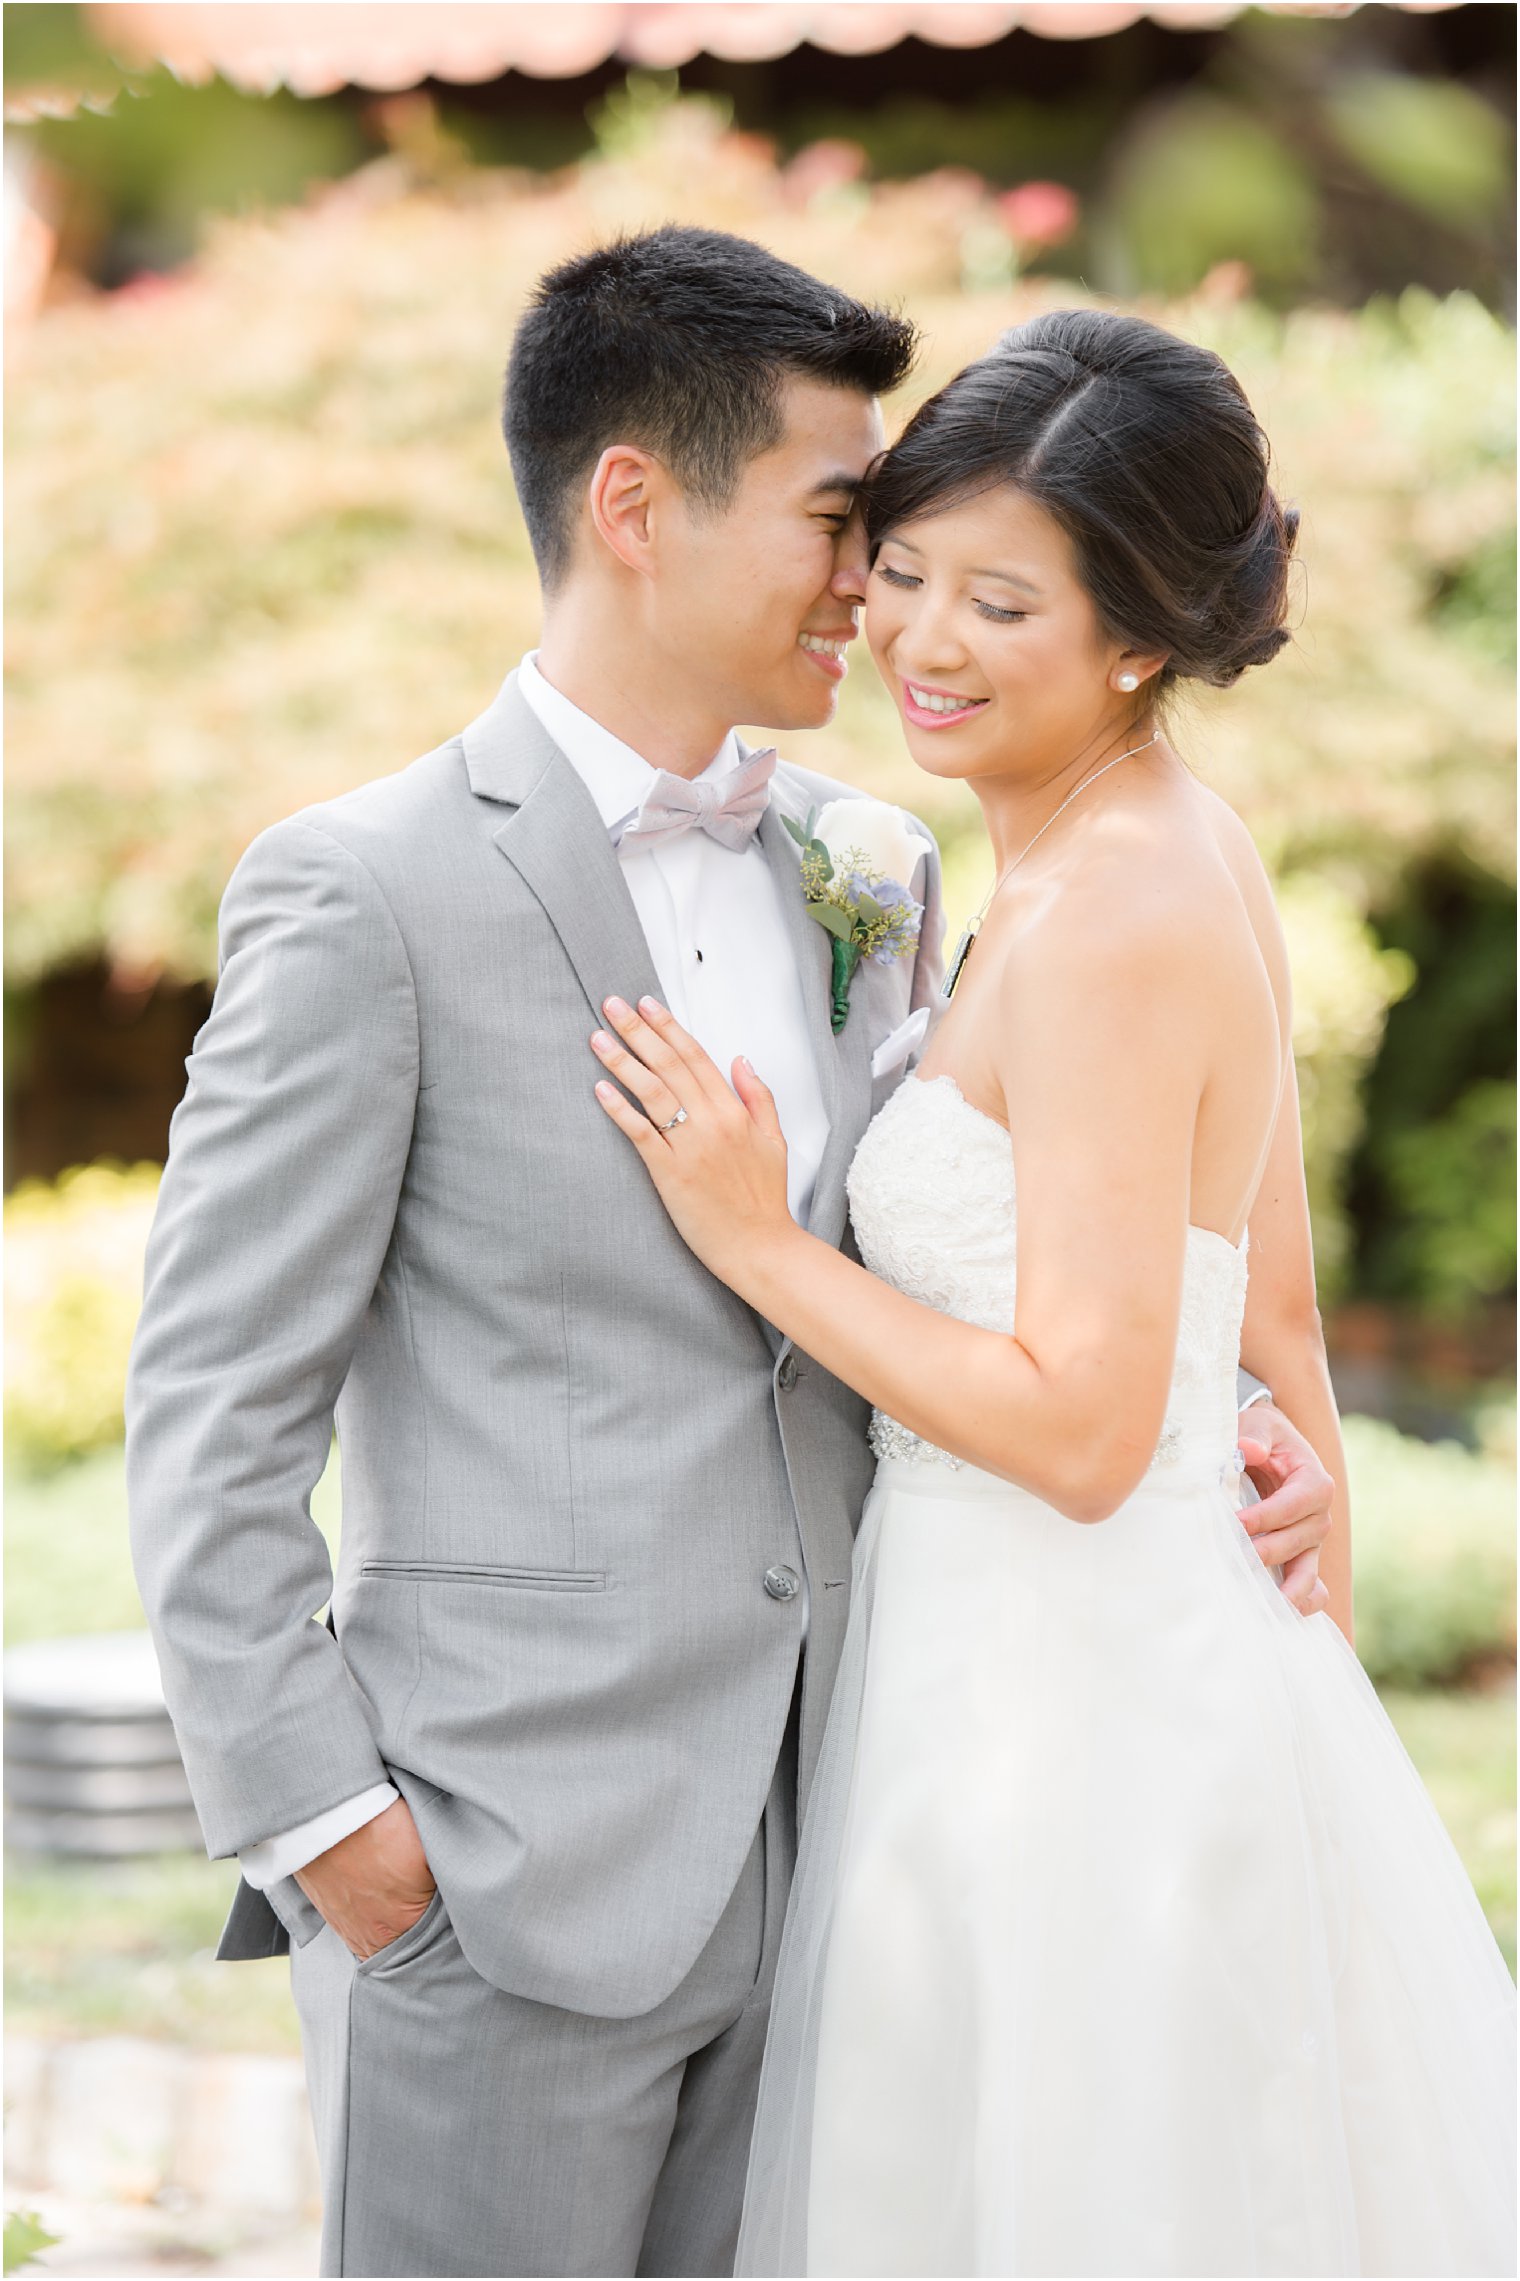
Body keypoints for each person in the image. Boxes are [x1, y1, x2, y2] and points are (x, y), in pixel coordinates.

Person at [127, 236, 1335, 2280]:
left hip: (855, 1856)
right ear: (632, 505)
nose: (873, 592)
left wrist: (1237, 1409)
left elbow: (1021, 1248)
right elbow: (210, 1417)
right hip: (500, 1895)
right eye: (839, 521)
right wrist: (343, 1844)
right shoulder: (367, 893)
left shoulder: (882, 863)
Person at [589, 308, 1517, 2278]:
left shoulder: (1107, 915)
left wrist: (759, 1241)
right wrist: (1303, 1576)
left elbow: (1089, 1433)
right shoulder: (1166, 847)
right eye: (903, 572)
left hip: (1061, 1705)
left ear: (1139, 632)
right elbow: (1265, 1312)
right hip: (1135, 1668)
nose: (920, 639)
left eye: (999, 600)